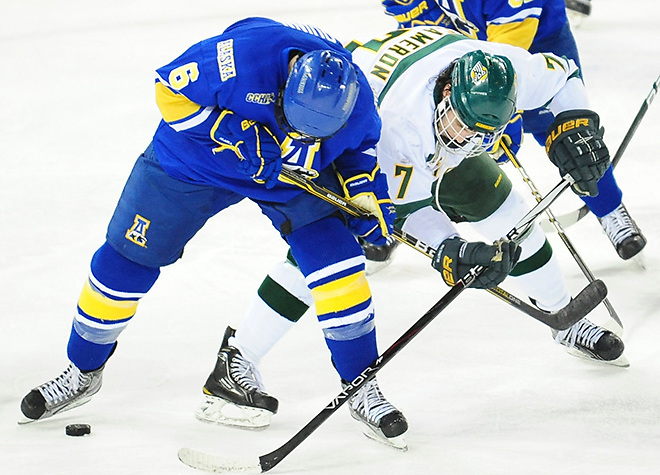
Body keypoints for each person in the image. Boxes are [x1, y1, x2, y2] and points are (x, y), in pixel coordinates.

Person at [20, 17, 479, 448]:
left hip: (286, 176)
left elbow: (359, 154)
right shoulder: (243, 57)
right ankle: (82, 370)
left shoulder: (355, 100)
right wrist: (228, 129)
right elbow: (170, 93)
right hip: (194, 160)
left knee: (338, 261)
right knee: (124, 262)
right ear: (284, 87)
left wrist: (364, 195)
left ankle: (362, 387)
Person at [194, 26, 627, 435]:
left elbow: (563, 75)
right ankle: (238, 357)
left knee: (507, 210)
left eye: (484, 132)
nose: (469, 141)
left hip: (418, 113)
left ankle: (562, 316)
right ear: (444, 93)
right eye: (461, 126)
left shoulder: (503, 73)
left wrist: (576, 123)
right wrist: (451, 249)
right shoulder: (397, 129)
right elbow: (402, 213)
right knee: (327, 251)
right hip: (346, 141)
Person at [380, 0, 646, 261]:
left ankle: (610, 208)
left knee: (570, 139)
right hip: (469, 52)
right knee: (433, 127)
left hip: (539, 45)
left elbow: (507, 53)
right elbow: (422, 23)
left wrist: (500, 113)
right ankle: (410, 210)